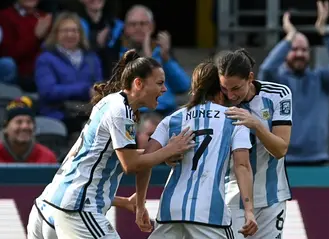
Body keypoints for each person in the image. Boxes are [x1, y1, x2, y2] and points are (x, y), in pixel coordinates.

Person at [27, 49, 195, 239]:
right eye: (160, 83)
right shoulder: (120, 111)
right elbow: (130, 164)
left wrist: (130, 202)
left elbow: (101, 160)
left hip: (50, 205)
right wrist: (168, 150)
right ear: (138, 83)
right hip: (78, 209)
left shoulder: (111, 102)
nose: (164, 89)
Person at [135, 61, 258, 239]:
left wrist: (140, 206)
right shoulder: (234, 120)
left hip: (171, 210)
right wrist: (249, 211)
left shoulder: (173, 119)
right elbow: (242, 166)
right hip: (209, 212)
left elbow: (144, 163)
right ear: (221, 89)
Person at [214, 49, 293, 239]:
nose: (230, 95)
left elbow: (280, 149)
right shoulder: (217, 100)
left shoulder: (278, 94)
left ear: (250, 78)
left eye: (236, 88)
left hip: (272, 196)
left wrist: (255, 124)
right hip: (231, 193)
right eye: (225, 88)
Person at [258, 1, 329, 165]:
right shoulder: (277, 82)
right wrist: (289, 37)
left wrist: (324, 32)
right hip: (282, 160)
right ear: (285, 52)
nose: (299, 53)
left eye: (304, 50)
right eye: (294, 49)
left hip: (317, 159)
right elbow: (266, 69)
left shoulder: (320, 80)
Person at [27, 192, 137, 239]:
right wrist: (154, 153)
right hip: (66, 212)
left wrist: (124, 202)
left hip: (41, 206)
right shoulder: (115, 143)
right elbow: (131, 162)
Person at [0, 96, 57, 163]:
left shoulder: (48, 157)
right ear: (5, 128)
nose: (25, 127)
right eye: (19, 122)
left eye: (29, 122)